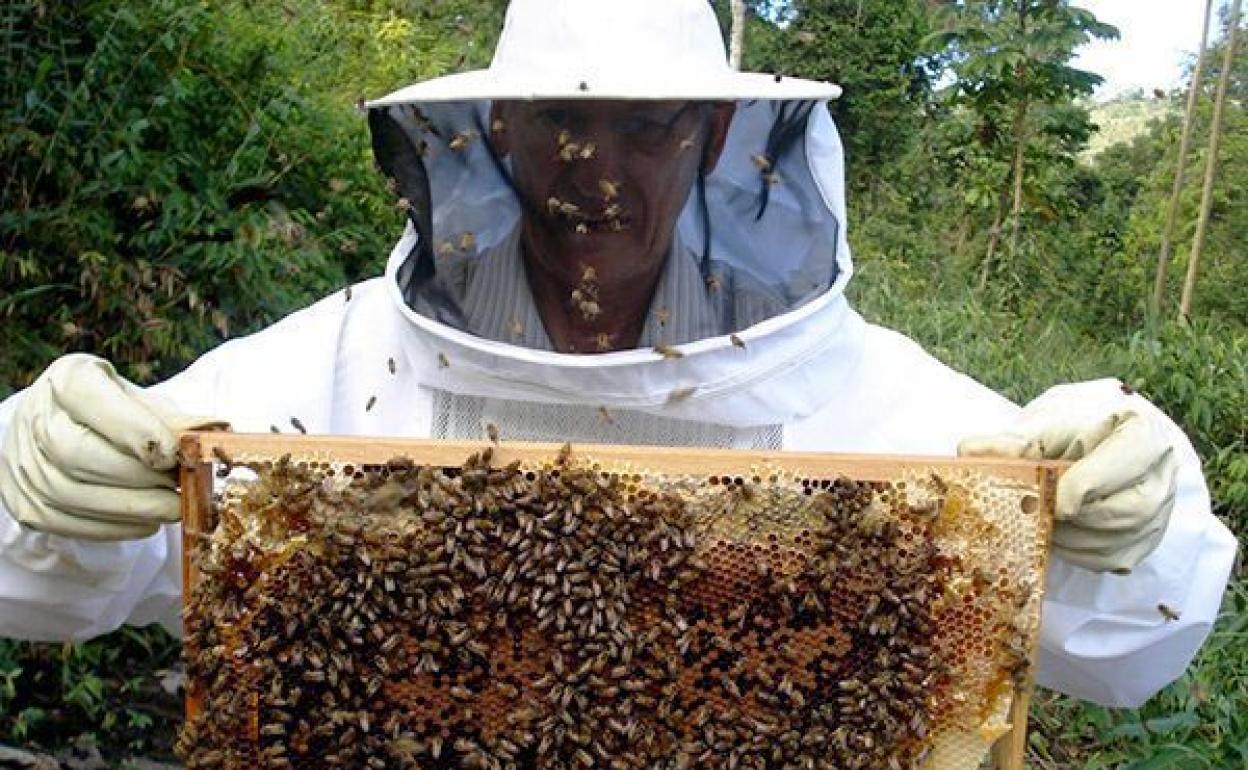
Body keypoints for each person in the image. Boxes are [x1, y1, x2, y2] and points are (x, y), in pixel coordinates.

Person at [0, 0, 1234, 710]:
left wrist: (1134, 507)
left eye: (644, 129)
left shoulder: (858, 392)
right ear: (493, 130)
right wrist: (37, 470)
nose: (597, 173)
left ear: (708, 138)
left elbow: (1128, 647)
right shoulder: (335, 370)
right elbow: (39, 586)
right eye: (559, 125)